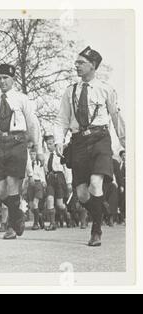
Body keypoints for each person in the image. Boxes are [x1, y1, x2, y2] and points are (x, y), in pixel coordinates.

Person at [54, 46, 125, 247]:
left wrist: (125, 143)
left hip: (100, 139)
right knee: (83, 194)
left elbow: (116, 117)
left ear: (93, 65)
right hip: (78, 143)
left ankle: (96, 230)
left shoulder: (106, 89)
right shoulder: (70, 91)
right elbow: (61, 119)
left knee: (95, 183)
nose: (76, 65)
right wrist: (59, 140)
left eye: (81, 62)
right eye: (76, 62)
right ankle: (99, 206)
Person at [0, 64, 44, 240]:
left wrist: (38, 148)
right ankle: (19, 215)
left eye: (5, 78)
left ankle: (12, 227)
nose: (2, 81)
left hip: (17, 143)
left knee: (12, 183)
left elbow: (32, 124)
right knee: (0, 191)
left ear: (13, 80)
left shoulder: (22, 99)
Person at [44, 135, 70, 231]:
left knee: (60, 204)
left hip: (59, 178)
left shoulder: (60, 154)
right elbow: (44, 169)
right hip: (50, 178)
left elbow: (66, 169)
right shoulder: (46, 155)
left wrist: (69, 182)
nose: (48, 146)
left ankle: (67, 216)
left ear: (55, 144)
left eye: (50, 144)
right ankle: (52, 223)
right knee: (49, 199)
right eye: (47, 144)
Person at [27, 146, 46, 230]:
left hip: (38, 183)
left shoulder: (39, 163)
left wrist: (43, 181)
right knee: (31, 206)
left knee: (35, 203)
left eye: (34, 154)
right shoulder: (27, 164)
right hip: (30, 185)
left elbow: (42, 174)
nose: (32, 156)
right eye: (31, 154)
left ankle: (35, 224)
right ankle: (40, 218)